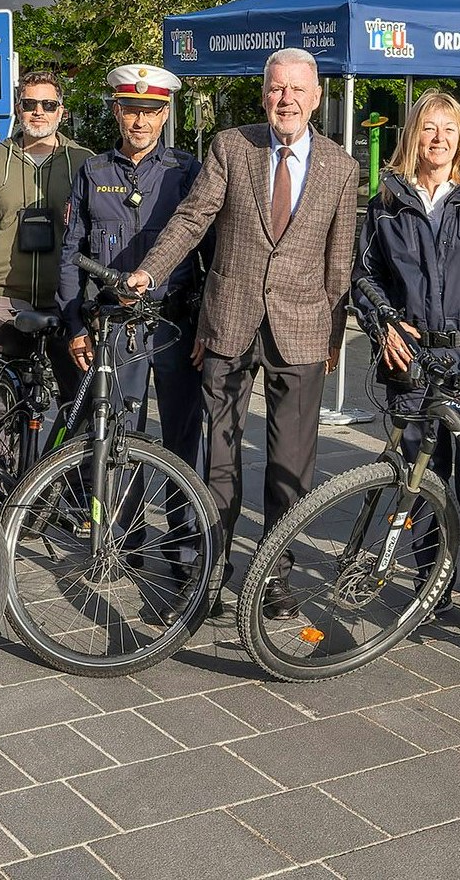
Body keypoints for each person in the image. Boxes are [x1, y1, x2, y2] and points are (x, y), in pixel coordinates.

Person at [127, 47, 360, 619]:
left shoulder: (341, 167)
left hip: (300, 332)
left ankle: (273, 577)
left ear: (316, 98)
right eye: (277, 88)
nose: (286, 99)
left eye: (297, 90)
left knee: (290, 464)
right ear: (264, 93)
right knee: (221, 461)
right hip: (229, 324)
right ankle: (211, 570)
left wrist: (331, 339)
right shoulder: (233, 146)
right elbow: (192, 218)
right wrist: (150, 270)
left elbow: (339, 264)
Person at [355, 92, 460, 647]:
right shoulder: (387, 201)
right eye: (427, 129)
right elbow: (364, 277)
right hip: (410, 360)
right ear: (412, 135)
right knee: (420, 480)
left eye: (447, 131)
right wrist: (384, 325)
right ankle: (430, 586)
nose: (437, 140)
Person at [59, 64, 207, 473]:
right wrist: (73, 326)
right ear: (116, 111)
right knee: (118, 436)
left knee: (184, 436)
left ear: (165, 114)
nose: (140, 121)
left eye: (150, 111)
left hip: (175, 325)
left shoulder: (186, 171)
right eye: (130, 110)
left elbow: (210, 254)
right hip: (117, 327)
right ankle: (123, 533)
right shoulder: (94, 171)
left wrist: (208, 328)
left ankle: (186, 536)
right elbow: (72, 253)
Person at [0, 71, 92, 393]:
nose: (38, 111)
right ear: (17, 108)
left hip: (65, 301)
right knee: (3, 400)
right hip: (3, 298)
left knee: (75, 400)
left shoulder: (84, 162)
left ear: (62, 111)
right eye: (30, 104)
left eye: (48, 104)